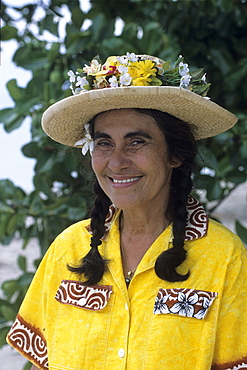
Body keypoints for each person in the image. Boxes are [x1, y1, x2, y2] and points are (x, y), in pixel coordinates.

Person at [7, 53, 247, 370]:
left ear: (176, 154)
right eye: (104, 143)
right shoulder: (68, 248)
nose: (117, 161)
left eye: (136, 142)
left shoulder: (224, 257)